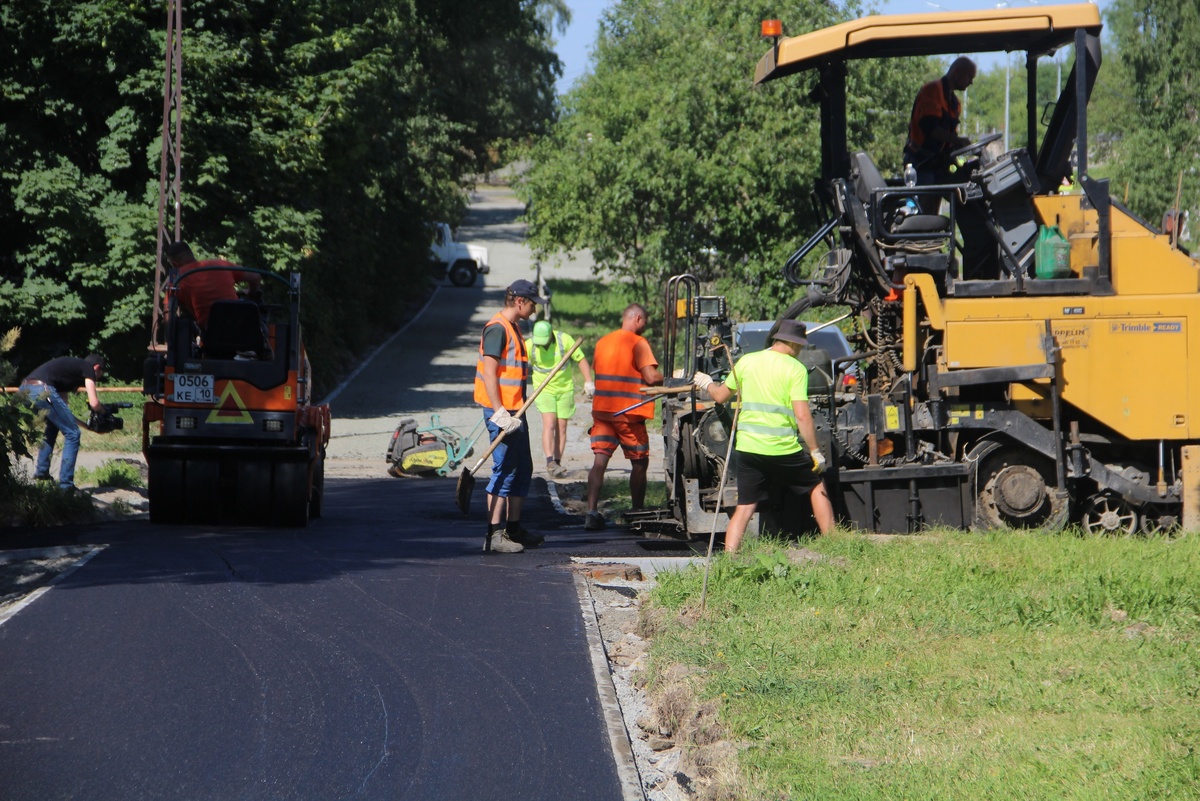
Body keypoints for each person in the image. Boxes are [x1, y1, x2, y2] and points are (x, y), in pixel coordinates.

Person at [693, 320, 834, 552]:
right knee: (815, 483)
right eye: (799, 346)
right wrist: (815, 451)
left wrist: (708, 383)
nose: (799, 350)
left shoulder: (747, 361)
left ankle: (730, 557)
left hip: (748, 449)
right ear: (791, 343)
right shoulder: (795, 369)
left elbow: (719, 396)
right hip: (783, 449)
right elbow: (803, 416)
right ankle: (834, 541)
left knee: (746, 506)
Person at [902, 57, 998, 280]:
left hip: (939, 165)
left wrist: (955, 158)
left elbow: (948, 139)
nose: (971, 83)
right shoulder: (932, 91)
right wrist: (959, 142)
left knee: (961, 199)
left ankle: (967, 256)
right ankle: (925, 259)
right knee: (928, 213)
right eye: (970, 78)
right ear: (957, 72)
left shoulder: (954, 102)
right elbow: (930, 128)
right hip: (921, 164)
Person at [474, 279, 546, 553]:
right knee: (503, 469)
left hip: (516, 410)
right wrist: (500, 412)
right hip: (501, 412)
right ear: (519, 301)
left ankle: (513, 529)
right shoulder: (497, 328)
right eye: (531, 304)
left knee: (522, 467)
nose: (534, 310)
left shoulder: (513, 327)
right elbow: (490, 373)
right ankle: (495, 535)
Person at [584, 303, 663, 530]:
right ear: (637, 318)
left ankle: (591, 512)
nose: (644, 328)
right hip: (628, 415)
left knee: (600, 461)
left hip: (602, 412)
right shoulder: (638, 343)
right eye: (644, 323)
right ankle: (637, 513)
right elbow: (650, 376)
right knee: (639, 462)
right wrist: (669, 377)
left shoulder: (602, 342)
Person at [19, 354, 105, 491]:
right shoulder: (88, 367)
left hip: (24, 390)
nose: (97, 378)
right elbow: (94, 403)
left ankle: (42, 474)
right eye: (99, 375)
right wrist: (103, 411)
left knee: (53, 426)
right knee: (73, 434)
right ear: (97, 367)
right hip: (42, 389)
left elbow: (64, 414)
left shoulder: (68, 376)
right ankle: (66, 485)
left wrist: (87, 425)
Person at [524, 320, 594, 478]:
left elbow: (581, 359)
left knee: (561, 427)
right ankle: (550, 462)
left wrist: (588, 381)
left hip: (564, 389)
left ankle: (557, 462)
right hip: (544, 390)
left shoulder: (564, 340)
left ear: (551, 336)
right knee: (549, 424)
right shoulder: (530, 345)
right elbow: (518, 365)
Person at [164, 240, 261, 331]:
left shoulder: (176, 277)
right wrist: (250, 294)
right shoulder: (220, 264)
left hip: (211, 334)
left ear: (174, 263)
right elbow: (255, 277)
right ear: (191, 254)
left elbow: (168, 316)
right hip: (241, 327)